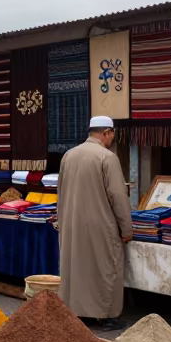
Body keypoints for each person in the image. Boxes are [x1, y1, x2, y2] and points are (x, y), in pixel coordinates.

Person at [56, 116, 132, 331]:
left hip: (72, 224)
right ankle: (106, 315)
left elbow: (60, 193)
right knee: (104, 268)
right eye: (112, 135)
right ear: (106, 133)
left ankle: (79, 312)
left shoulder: (69, 156)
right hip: (100, 226)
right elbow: (118, 196)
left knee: (78, 268)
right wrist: (126, 228)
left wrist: (62, 222)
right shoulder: (107, 157)